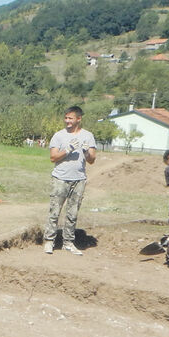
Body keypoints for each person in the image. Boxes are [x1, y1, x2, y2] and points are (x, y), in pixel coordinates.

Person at [43, 106, 97, 255]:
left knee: (72, 213)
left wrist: (86, 152)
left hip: (79, 179)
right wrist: (68, 150)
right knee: (54, 211)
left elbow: (92, 160)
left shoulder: (88, 136)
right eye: (66, 118)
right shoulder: (59, 136)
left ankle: (68, 242)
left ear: (78, 119)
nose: (67, 121)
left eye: (70, 118)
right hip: (60, 178)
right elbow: (53, 157)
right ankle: (49, 241)